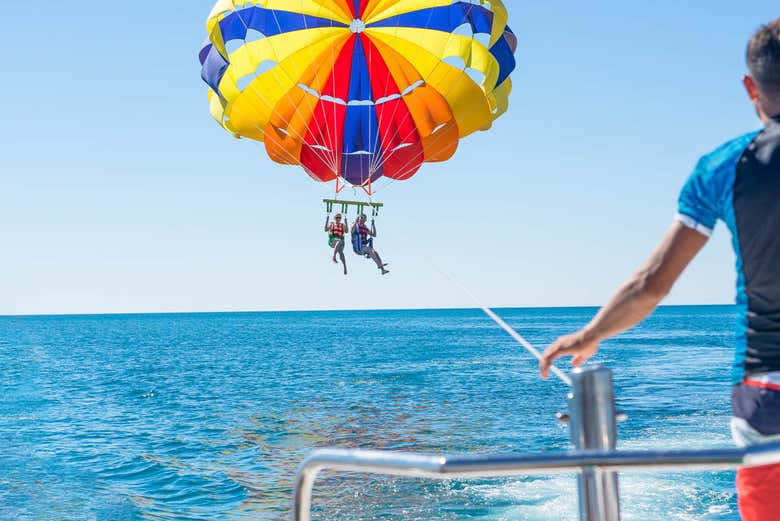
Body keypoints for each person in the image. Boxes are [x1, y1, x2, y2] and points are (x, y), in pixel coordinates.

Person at [539, 19, 780, 521]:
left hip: (765, 396)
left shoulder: (722, 167)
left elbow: (652, 283)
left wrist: (589, 334)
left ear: (750, 88)